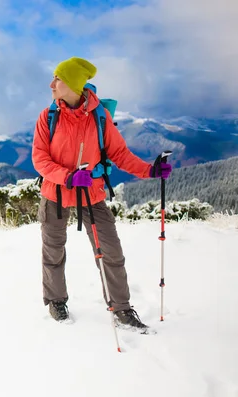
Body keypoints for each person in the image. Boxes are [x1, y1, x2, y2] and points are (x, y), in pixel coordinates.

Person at [31, 57, 172, 328]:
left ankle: (121, 308)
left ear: (72, 85)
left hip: (91, 193)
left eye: (57, 79)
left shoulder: (98, 116)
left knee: (110, 252)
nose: (51, 84)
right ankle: (56, 301)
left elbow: (118, 152)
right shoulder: (48, 116)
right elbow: (40, 158)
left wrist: (149, 171)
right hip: (56, 193)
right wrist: (69, 176)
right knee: (53, 251)